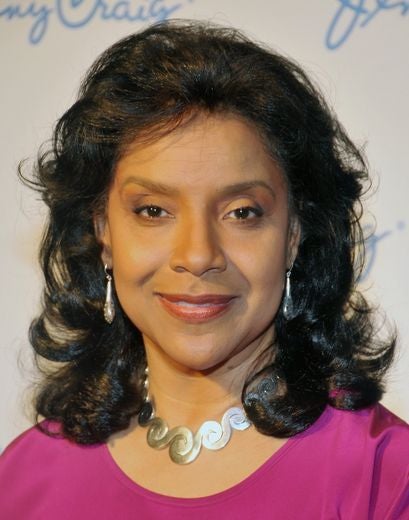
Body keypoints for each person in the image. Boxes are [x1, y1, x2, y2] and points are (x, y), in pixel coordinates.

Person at [0, 20, 408, 519]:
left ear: (294, 236)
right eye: (153, 210)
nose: (197, 255)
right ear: (103, 231)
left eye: (242, 212)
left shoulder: (384, 477)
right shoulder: (24, 480)